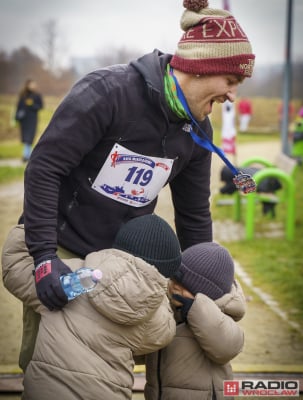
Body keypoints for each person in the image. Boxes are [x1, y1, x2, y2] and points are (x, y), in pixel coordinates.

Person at [18, 0, 255, 370]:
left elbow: (193, 215)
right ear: (202, 67)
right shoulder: (109, 92)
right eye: (232, 81)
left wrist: (202, 286)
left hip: (124, 265)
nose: (232, 95)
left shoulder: (197, 132)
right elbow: (45, 167)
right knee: (52, 361)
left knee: (112, 363)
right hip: (64, 246)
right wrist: (44, 256)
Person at [2, 214, 182, 400]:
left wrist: (30, 226)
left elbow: (14, 268)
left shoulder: (67, 278)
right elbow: (165, 334)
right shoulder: (154, 318)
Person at [144, 242, 246, 400]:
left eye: (180, 283)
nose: (172, 285)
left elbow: (228, 347)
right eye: (173, 278)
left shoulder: (219, 318)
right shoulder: (174, 309)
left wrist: (195, 307)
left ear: (203, 294)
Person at [15, 79, 43, 162]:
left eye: (34, 84)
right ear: (27, 85)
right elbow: (18, 106)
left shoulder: (37, 95)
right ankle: (27, 155)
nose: (33, 86)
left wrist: (32, 105)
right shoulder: (23, 95)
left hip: (32, 119)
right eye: (31, 84)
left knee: (30, 138)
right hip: (24, 120)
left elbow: (40, 106)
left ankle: (26, 155)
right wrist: (17, 116)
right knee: (26, 138)